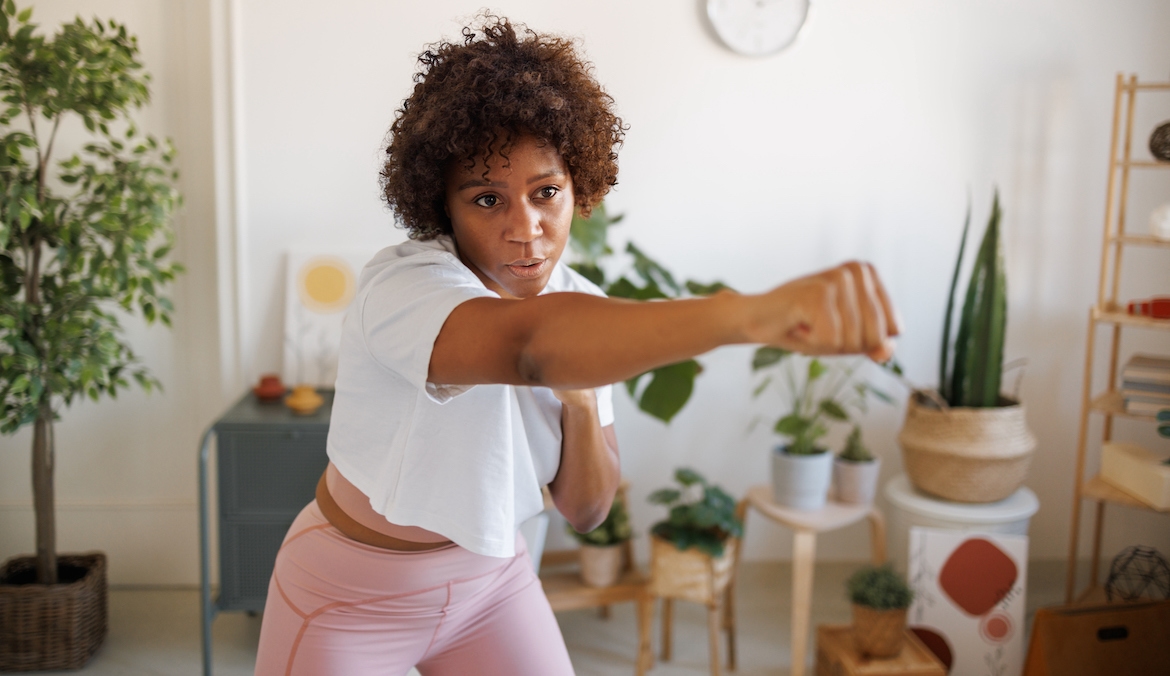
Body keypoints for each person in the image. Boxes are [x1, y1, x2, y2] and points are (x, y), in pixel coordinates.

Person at [255, 14, 898, 676]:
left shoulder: (583, 309)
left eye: (546, 192)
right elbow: (528, 347)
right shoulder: (406, 286)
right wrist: (747, 316)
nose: (526, 227)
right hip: (354, 594)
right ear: (443, 205)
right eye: (487, 199)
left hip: (492, 587)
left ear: (578, 186)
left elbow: (587, 510)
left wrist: (583, 403)